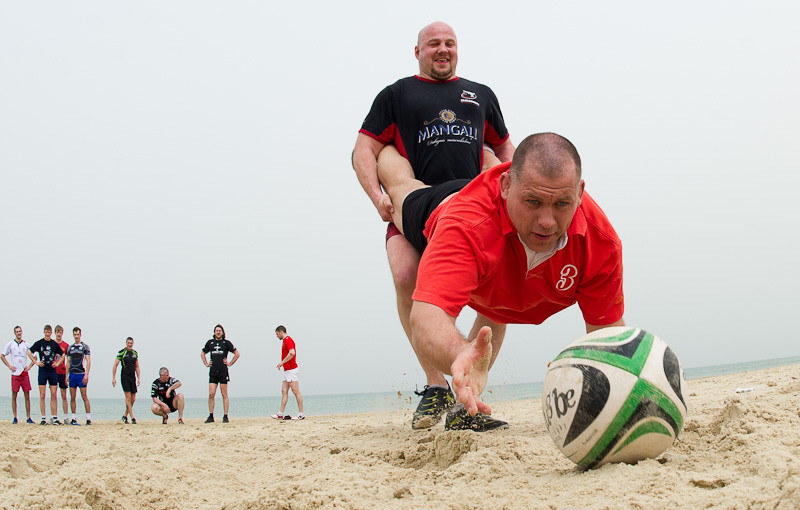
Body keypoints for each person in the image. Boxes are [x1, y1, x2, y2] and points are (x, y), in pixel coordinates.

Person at [379, 132, 625, 431]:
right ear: (507, 187)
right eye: (533, 202)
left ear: (580, 192)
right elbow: (427, 319)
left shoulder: (600, 242)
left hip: (495, 261)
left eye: (562, 203)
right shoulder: (465, 226)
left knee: (494, 300)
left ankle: (485, 149)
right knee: (402, 189)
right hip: (438, 206)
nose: (547, 221)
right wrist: (459, 353)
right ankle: (388, 145)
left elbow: (605, 336)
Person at [352, 21, 515, 430]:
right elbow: (363, 148)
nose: (442, 50)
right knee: (407, 275)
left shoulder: (481, 95)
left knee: (497, 291)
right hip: (412, 210)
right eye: (433, 44)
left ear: (457, 50)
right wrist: (377, 196)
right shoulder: (396, 94)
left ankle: (469, 392)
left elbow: (506, 148)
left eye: (449, 44)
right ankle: (435, 386)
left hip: (471, 210)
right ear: (418, 51)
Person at [201, 324, 239, 423]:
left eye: (220, 330)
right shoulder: (210, 342)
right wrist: (206, 363)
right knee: (211, 394)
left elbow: (237, 354)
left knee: (224, 393)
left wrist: (230, 363)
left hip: (223, 371)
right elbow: (202, 353)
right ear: (214, 332)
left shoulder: (226, 343)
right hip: (213, 371)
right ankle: (211, 416)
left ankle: (225, 416)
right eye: (216, 330)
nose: (218, 332)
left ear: (222, 332)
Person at [29, 325, 64, 425]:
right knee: (42, 395)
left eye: (49, 332)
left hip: (52, 371)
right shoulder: (39, 343)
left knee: (54, 394)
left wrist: (57, 363)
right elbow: (29, 352)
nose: (48, 334)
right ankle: (43, 418)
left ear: (51, 333)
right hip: (42, 371)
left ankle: (54, 417)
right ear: (44, 332)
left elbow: (62, 354)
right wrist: (36, 362)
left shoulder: (54, 344)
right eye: (46, 332)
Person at [1, 326, 35, 424]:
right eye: (17, 332)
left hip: (24, 373)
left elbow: (34, 356)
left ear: (22, 332)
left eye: (20, 331)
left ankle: (28, 417)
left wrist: (29, 366)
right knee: (14, 395)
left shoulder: (26, 344)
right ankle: (15, 417)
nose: (18, 333)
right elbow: (2, 355)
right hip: (15, 374)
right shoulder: (11, 344)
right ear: (14, 333)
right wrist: (9, 366)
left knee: (27, 395)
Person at [271, 325, 304, 420]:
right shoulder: (285, 341)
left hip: (291, 370)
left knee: (296, 391)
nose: (277, 336)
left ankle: (301, 413)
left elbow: (292, 352)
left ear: (281, 332)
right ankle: (280, 413)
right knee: (284, 391)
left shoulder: (288, 340)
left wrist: (282, 362)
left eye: (277, 334)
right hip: (287, 371)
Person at [112, 337, 140, 424]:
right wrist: (113, 378)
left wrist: (139, 378)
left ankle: (124, 416)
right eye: (128, 343)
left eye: (131, 343)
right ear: (126, 343)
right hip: (124, 376)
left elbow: (137, 366)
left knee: (133, 398)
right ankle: (132, 417)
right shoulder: (122, 352)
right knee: (128, 397)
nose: (130, 344)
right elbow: (115, 365)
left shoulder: (135, 353)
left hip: (132, 377)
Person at [67, 327, 92, 425]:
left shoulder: (85, 346)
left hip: (81, 374)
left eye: (78, 334)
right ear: (73, 335)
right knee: (72, 397)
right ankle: (73, 418)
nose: (76, 336)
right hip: (72, 374)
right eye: (75, 334)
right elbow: (68, 362)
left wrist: (86, 374)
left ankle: (88, 418)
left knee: (84, 396)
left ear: (80, 335)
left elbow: (88, 360)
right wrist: (66, 375)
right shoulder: (70, 347)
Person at [53, 325, 70, 422]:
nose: (58, 334)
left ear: (62, 333)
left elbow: (68, 360)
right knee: (54, 395)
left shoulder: (65, 345)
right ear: (55, 333)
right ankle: (54, 416)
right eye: (57, 332)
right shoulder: (52, 343)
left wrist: (67, 375)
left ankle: (66, 417)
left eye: (60, 332)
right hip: (53, 372)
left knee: (64, 396)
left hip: (62, 372)